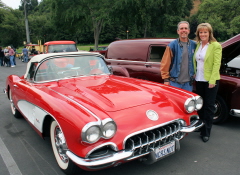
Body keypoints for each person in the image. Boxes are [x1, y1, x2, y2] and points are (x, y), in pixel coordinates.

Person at [193, 23, 222, 143]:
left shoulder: (216, 46)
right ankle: (200, 126)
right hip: (199, 79)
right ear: (198, 34)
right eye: (201, 32)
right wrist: (194, 73)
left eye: (205, 32)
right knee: (200, 104)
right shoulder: (198, 45)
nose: (203, 34)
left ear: (210, 33)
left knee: (209, 107)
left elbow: (216, 64)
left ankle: (206, 132)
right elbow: (196, 61)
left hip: (210, 80)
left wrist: (212, 80)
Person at [160, 21, 196, 91]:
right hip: (174, 82)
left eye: (185, 28)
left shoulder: (194, 45)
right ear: (178, 31)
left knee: (187, 102)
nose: (184, 30)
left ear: (189, 31)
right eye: (181, 28)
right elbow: (165, 63)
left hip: (188, 83)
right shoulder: (172, 45)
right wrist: (166, 79)